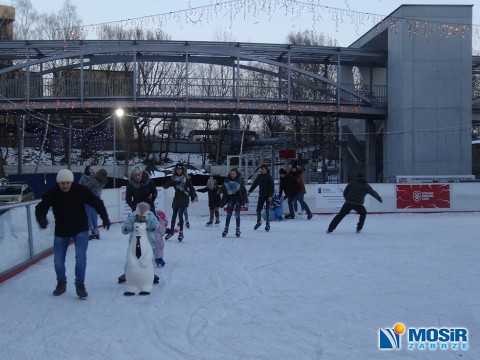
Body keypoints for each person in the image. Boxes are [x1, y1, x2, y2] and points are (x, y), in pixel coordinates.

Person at [35, 168, 111, 299]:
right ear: (58, 182)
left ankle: (80, 285)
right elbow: (41, 207)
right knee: (58, 260)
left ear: (71, 182)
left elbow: (96, 202)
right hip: (61, 230)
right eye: (62, 183)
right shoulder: (53, 193)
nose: (65, 185)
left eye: (68, 183)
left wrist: (104, 217)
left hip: (80, 228)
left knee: (81, 258)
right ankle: (61, 283)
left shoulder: (80, 190)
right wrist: (41, 218)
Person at [118, 202, 160, 284]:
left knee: (149, 257)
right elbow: (126, 226)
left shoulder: (151, 215)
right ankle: (127, 273)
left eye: (143, 216)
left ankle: (151, 273)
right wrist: (126, 228)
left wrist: (154, 227)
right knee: (131, 257)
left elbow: (156, 224)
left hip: (148, 241)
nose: (141, 217)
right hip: (134, 241)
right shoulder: (131, 216)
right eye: (139, 215)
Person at [163, 163, 198, 242]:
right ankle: (171, 231)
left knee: (180, 215)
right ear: (175, 170)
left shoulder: (186, 178)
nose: (179, 170)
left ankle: (181, 232)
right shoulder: (174, 178)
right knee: (174, 216)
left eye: (180, 169)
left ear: (182, 170)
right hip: (176, 199)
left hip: (184, 198)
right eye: (177, 169)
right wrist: (166, 179)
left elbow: (191, 188)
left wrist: (195, 196)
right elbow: (165, 186)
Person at [217, 168, 249, 237]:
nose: (232, 175)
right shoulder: (227, 181)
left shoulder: (240, 181)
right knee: (229, 214)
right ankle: (226, 228)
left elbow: (244, 191)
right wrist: (218, 193)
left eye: (233, 174)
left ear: (236, 174)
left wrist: (246, 201)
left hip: (238, 199)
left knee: (237, 214)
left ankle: (238, 229)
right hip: (231, 199)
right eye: (231, 174)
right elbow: (222, 188)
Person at [247, 163, 274, 231]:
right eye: (261, 169)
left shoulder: (269, 177)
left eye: (263, 169)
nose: (262, 170)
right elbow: (255, 184)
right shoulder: (259, 176)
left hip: (268, 196)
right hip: (261, 195)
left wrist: (270, 196)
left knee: (267, 209)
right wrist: (249, 191)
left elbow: (272, 188)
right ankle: (259, 221)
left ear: (266, 170)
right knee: (258, 209)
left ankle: (267, 224)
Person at [84, 168, 108, 239]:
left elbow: (86, 187)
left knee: (88, 216)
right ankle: (96, 231)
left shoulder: (94, 180)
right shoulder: (103, 182)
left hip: (89, 199)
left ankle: (89, 232)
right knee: (94, 216)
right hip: (96, 200)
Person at [78, 165, 97, 239]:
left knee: (92, 215)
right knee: (89, 215)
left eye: (92, 169)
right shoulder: (83, 179)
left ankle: (94, 230)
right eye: (91, 169)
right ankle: (91, 230)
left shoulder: (94, 178)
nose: (92, 171)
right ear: (87, 170)